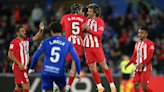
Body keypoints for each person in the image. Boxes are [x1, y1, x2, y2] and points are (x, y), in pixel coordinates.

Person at [28, 21, 81, 92]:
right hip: (59, 71)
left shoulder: (45, 42)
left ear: (51, 31)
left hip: (47, 71)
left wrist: (31, 68)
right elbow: (76, 58)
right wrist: (78, 72)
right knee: (62, 89)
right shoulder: (67, 43)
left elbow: (35, 56)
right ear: (62, 30)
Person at [82, 3, 116, 92]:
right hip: (87, 47)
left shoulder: (100, 21)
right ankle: (100, 87)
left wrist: (88, 29)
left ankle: (112, 85)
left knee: (103, 65)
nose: (88, 12)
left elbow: (99, 34)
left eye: (89, 11)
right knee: (92, 68)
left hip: (96, 47)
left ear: (94, 13)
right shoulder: (86, 20)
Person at [8, 22, 44, 92]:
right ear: (18, 33)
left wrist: (41, 30)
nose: (25, 32)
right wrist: (19, 64)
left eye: (24, 30)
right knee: (26, 85)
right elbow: (10, 55)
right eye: (22, 31)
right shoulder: (14, 42)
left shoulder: (26, 40)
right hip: (18, 67)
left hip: (24, 67)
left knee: (18, 87)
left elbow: (37, 37)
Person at [60, 3, 86, 92]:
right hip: (78, 44)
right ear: (78, 10)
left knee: (61, 64)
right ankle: (68, 86)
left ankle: (57, 84)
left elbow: (60, 30)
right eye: (82, 11)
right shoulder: (84, 19)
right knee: (73, 67)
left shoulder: (65, 17)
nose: (83, 12)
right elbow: (87, 31)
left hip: (68, 44)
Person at [125, 28, 155, 92]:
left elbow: (150, 56)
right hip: (137, 67)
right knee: (136, 84)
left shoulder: (150, 43)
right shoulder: (137, 44)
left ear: (146, 34)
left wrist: (142, 63)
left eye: (142, 33)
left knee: (144, 87)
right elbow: (134, 56)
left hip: (145, 67)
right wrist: (128, 64)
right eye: (139, 33)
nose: (140, 34)